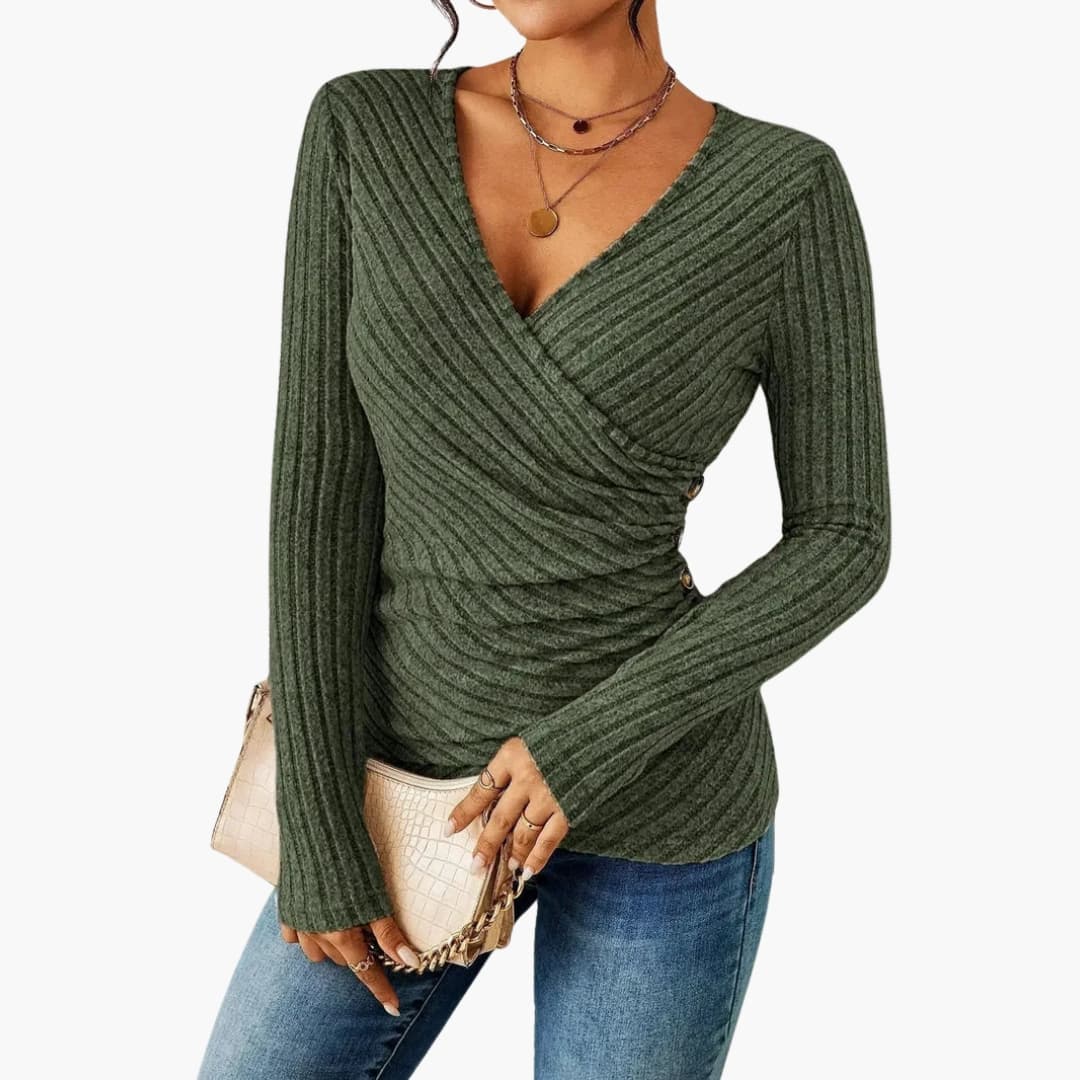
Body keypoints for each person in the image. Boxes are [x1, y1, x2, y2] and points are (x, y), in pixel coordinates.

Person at [198, 1, 891, 1076]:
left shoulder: (785, 191)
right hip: (399, 784)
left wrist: (592, 743)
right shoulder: (364, 129)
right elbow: (319, 502)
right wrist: (320, 825)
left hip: (664, 800)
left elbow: (845, 536)